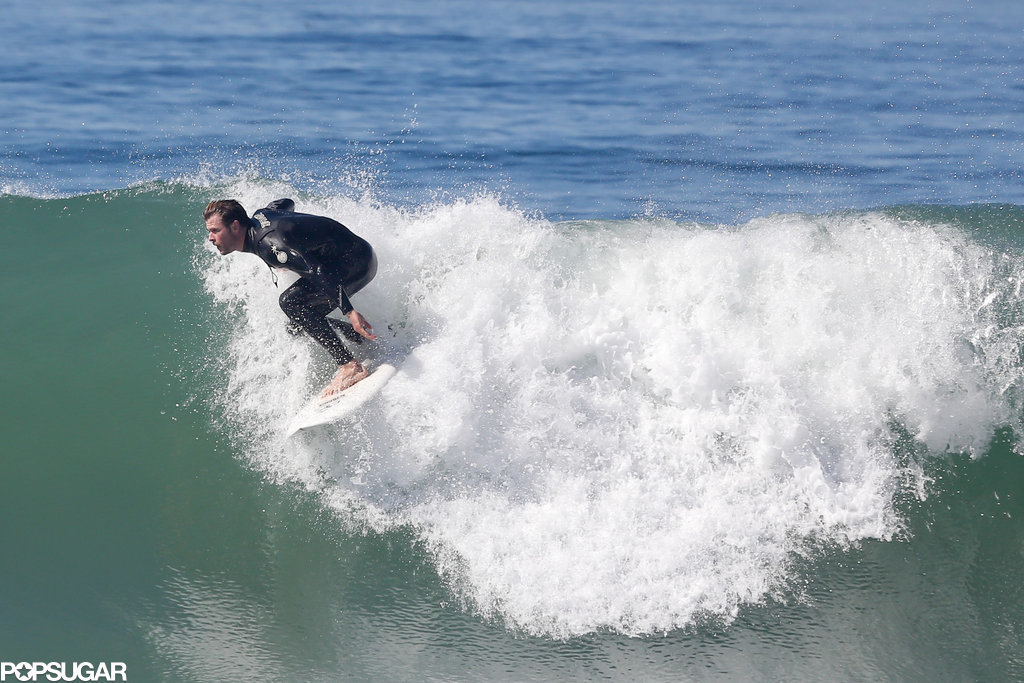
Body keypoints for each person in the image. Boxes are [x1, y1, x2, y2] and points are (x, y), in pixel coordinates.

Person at [204, 198, 378, 396]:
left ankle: (349, 366)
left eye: (215, 230)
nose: (210, 238)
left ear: (235, 226)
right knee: (296, 325)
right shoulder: (262, 215)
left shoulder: (270, 246)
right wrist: (294, 237)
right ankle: (361, 338)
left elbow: (317, 270)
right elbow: (285, 203)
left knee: (290, 303)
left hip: (356, 262)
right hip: (349, 255)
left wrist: (349, 311)